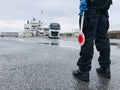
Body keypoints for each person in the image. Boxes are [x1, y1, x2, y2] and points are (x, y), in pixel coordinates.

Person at [73, 0, 112, 82]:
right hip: (104, 5)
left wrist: (83, 2)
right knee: (102, 37)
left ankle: (83, 71)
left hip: (92, 5)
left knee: (87, 37)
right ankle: (105, 69)